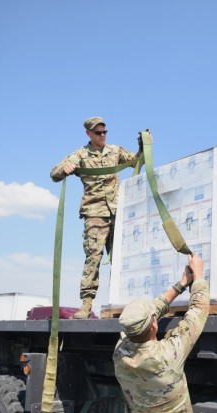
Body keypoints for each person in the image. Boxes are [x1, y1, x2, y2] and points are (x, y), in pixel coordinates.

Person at [50, 117, 137, 319]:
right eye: (98, 133)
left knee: (121, 259)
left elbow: (137, 161)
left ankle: (124, 301)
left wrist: (145, 145)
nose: (103, 135)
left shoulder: (115, 151)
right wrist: (65, 170)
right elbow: (54, 174)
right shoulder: (80, 154)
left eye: (105, 131)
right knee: (93, 257)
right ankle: (87, 304)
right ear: (88, 134)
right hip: (94, 214)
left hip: (118, 212)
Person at [112, 254, 209, 413]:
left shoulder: (120, 352)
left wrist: (182, 284)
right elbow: (198, 310)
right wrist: (198, 273)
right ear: (154, 325)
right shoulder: (168, 356)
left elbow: (146, 317)